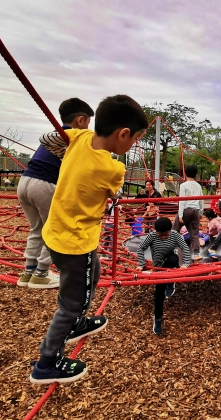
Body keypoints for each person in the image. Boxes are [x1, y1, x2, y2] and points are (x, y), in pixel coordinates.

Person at [29, 94, 148, 385]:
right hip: (75, 242)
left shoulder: (79, 137)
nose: (134, 144)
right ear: (122, 134)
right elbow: (114, 193)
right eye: (136, 138)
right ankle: (47, 363)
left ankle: (77, 323)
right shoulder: (113, 168)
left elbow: (49, 137)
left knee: (92, 274)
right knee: (71, 302)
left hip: (56, 233)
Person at [17, 98, 94, 289]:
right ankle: (42, 273)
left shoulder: (55, 135)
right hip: (46, 183)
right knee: (54, 229)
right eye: (88, 123)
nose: (88, 128)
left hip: (25, 181)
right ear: (80, 120)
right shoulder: (75, 137)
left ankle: (28, 271)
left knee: (37, 228)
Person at [137, 217, 190, 335]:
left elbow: (185, 248)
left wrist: (186, 264)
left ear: (170, 231)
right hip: (158, 267)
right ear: (156, 232)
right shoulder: (152, 236)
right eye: (160, 235)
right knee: (159, 293)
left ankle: (171, 282)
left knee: (174, 258)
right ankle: (158, 319)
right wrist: (141, 264)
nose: (163, 237)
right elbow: (141, 248)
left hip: (170, 265)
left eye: (166, 234)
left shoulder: (175, 235)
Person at [173, 165, 204, 261]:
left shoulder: (183, 185)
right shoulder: (198, 186)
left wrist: (181, 214)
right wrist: (201, 212)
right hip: (196, 210)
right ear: (196, 174)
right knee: (194, 232)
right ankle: (196, 254)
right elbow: (201, 200)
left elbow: (182, 200)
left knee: (174, 229)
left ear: (185, 174)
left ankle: (172, 249)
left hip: (186, 209)